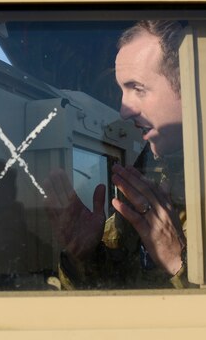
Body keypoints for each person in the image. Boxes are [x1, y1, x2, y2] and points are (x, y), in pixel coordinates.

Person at [46, 20, 189, 289]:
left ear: (189, 85)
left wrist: (178, 263)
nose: (124, 111)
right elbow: (125, 282)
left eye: (137, 89)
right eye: (122, 91)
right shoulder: (147, 177)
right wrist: (83, 257)